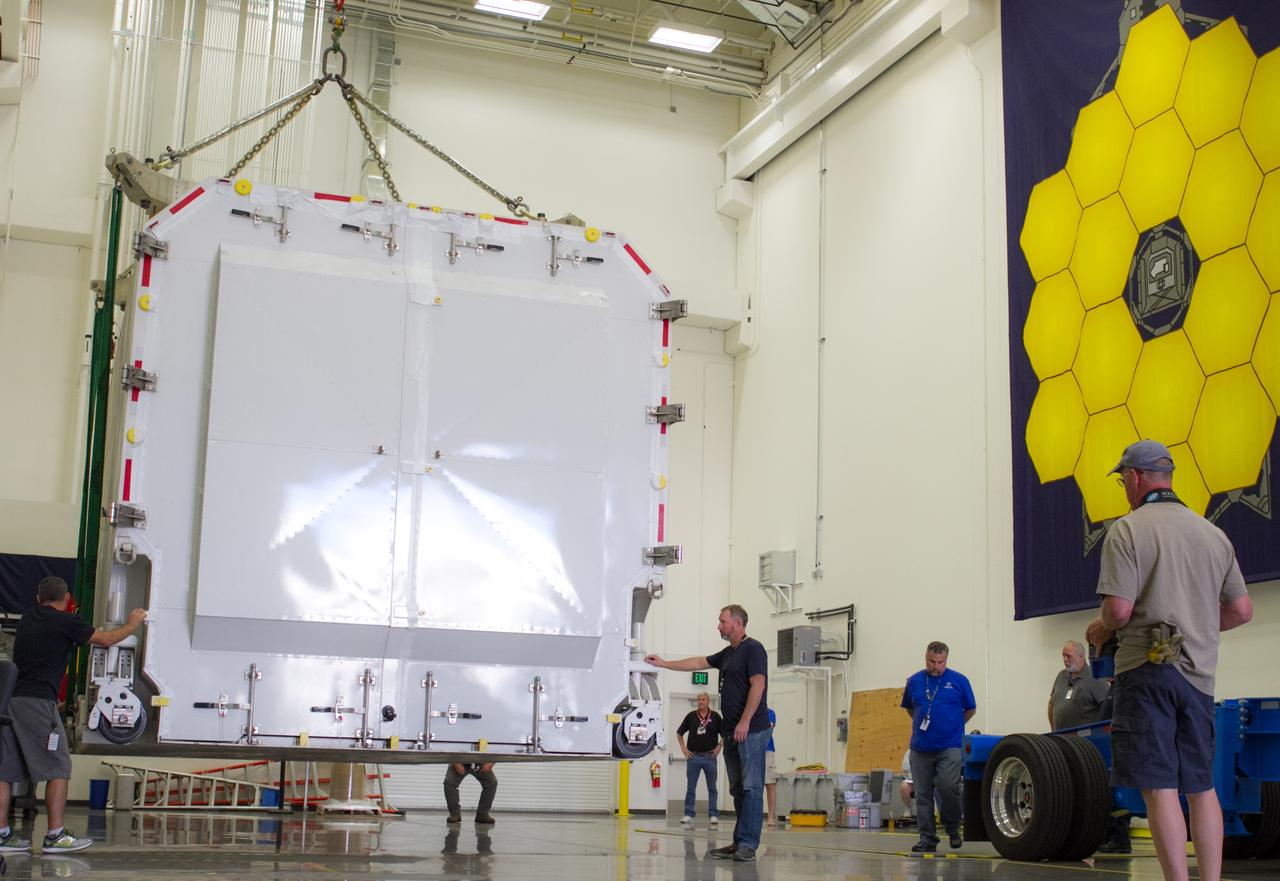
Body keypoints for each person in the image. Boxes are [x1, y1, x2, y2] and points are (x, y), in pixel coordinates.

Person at [1086, 440, 1252, 881]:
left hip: (1146, 671)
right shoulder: (1213, 534)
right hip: (1199, 678)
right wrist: (1197, 625)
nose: (1124, 488)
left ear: (1136, 479)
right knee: (1201, 787)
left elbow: (1119, 611)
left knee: (1160, 788)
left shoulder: (1127, 530)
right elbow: (1240, 610)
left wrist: (1102, 627)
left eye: (1123, 480)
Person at [0, 576, 146, 854]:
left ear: (37, 598)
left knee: (5, 771)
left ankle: (2, 834)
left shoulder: (29, 619)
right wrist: (132, 624)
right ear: (66, 599)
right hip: (38, 703)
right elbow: (105, 640)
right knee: (59, 768)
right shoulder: (66, 621)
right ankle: (55, 836)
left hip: (11, 700)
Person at [646, 604, 769, 863]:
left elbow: (758, 684)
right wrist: (665, 664)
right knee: (737, 789)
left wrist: (745, 721)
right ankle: (739, 843)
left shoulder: (753, 649)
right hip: (733, 732)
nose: (719, 626)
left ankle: (749, 844)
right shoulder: (728, 653)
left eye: (722, 621)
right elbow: (699, 662)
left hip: (752, 731)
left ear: (737, 623)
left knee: (752, 788)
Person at [900, 641, 976, 853]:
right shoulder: (915, 681)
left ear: (946, 660)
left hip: (950, 746)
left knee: (947, 787)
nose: (936, 666)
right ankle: (927, 838)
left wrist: (953, 725)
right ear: (926, 659)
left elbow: (971, 709)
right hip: (920, 748)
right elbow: (909, 708)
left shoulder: (959, 681)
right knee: (923, 794)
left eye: (940, 662)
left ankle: (953, 828)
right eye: (931, 662)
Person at [676, 692, 722, 828]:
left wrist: (719, 746)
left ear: (708, 701)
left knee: (712, 787)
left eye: (703, 699)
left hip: (710, 757)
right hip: (694, 756)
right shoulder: (691, 716)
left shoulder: (715, 717)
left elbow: (725, 733)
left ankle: (713, 814)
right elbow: (679, 733)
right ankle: (689, 813)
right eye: (699, 699)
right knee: (691, 787)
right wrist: (684, 748)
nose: (700, 701)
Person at [1047, 640, 1110, 731]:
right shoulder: (1061, 675)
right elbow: (1051, 703)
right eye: (1063, 655)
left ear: (1081, 657)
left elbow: (1107, 707)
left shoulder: (1096, 678)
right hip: (1061, 737)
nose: (1065, 659)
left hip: (1084, 740)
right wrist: (1053, 729)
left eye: (1069, 656)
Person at [764, 707, 777, 828]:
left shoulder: (770, 713)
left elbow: (769, 728)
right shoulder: (747, 710)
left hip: (767, 750)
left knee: (770, 783)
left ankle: (771, 815)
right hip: (751, 750)